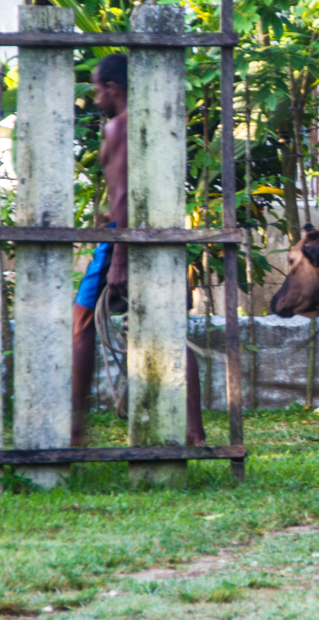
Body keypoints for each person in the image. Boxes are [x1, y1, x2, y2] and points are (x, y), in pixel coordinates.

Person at [71, 53, 206, 447]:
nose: (95, 99)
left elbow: (125, 196)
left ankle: (76, 430)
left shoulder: (118, 129)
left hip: (121, 240)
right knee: (170, 331)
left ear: (113, 88)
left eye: (97, 90)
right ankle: (195, 433)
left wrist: (119, 258)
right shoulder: (154, 126)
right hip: (148, 234)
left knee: (80, 325)